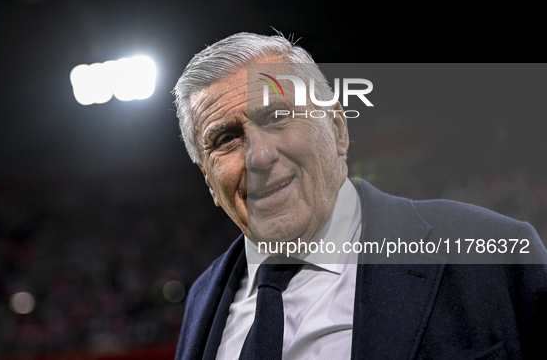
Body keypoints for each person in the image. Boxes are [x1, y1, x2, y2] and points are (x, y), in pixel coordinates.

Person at [172, 32, 547, 359]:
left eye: (277, 117)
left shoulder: (494, 253)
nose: (259, 155)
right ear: (209, 181)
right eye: (226, 139)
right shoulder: (203, 298)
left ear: (337, 128)